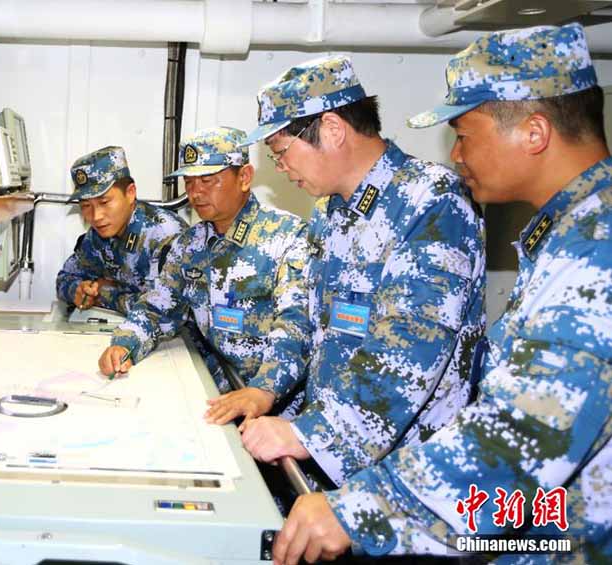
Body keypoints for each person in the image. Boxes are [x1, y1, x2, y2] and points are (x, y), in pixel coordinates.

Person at [272, 23, 612, 565]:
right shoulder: (569, 234)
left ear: (534, 132)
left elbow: (528, 431)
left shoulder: (597, 246)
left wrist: (362, 508)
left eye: (465, 132)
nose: (456, 154)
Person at [216, 55, 486, 491]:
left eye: (282, 153)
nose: (281, 169)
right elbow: (304, 316)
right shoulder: (330, 212)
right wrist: (267, 387)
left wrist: (310, 435)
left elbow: (408, 352)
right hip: (339, 464)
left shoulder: (430, 202)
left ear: (333, 129)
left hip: (410, 478)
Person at [98, 127, 310, 399]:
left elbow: (296, 326)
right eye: (189, 182)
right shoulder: (191, 245)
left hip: (278, 403)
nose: (195, 193)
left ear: (244, 177)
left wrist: (263, 391)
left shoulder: (287, 237)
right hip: (218, 387)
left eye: (207, 180)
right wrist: (125, 343)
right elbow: (158, 307)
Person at [56, 146, 186, 314]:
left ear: (130, 193)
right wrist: (79, 291)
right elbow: (64, 278)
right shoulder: (99, 235)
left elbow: (163, 310)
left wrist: (104, 293)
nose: (96, 216)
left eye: (104, 202)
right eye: (86, 205)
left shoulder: (164, 234)